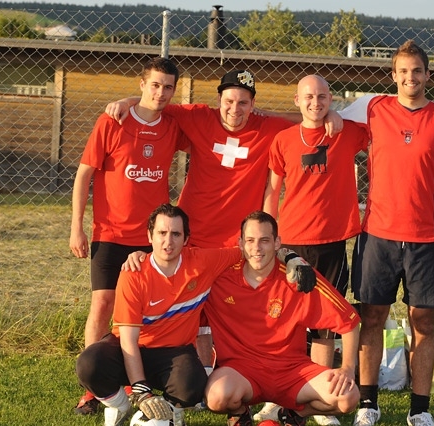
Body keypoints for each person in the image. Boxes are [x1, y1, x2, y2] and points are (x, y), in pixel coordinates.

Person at [105, 69, 343, 374]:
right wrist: (128, 101)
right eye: (229, 101)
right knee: (192, 311)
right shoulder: (199, 117)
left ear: (253, 105)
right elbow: (155, 103)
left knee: (235, 308)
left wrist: (330, 113)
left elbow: (305, 118)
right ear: (218, 100)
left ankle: (241, 368)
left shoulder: (267, 128)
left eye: (243, 103)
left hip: (236, 243)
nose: (235, 109)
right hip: (193, 237)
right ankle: (191, 370)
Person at [340, 40, 434, 426]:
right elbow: (322, 117)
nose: (410, 77)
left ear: (427, 75)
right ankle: (368, 404)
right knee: (371, 317)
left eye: (417, 71)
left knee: (422, 323)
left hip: (428, 240)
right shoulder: (371, 107)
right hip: (378, 235)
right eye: (403, 71)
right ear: (393, 75)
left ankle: (419, 409)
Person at [80, 204, 316, 426]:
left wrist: (291, 257)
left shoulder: (202, 262)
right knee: (90, 364)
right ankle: (120, 405)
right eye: (161, 233)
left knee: (192, 386)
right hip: (133, 347)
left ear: (186, 239)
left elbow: (251, 250)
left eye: (176, 234)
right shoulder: (133, 273)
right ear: (150, 236)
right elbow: (128, 341)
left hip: (173, 351)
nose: (168, 242)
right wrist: (141, 391)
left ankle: (169, 411)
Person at [70, 57, 188, 415]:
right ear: (141, 84)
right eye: (155, 85)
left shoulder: (173, 125)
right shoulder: (113, 120)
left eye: (168, 87)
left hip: (152, 239)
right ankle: (93, 389)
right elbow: (84, 175)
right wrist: (76, 226)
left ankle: (138, 378)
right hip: (110, 232)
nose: (161, 92)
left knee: (143, 312)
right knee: (103, 304)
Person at [261, 74, 369, 426]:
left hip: (332, 242)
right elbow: (273, 190)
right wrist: (270, 236)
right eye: (308, 97)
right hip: (292, 242)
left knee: (326, 324)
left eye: (322, 96)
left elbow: (382, 113)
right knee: (286, 321)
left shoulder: (346, 133)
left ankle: (320, 394)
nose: (315, 102)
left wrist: (340, 116)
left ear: (330, 98)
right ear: (297, 100)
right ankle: (276, 395)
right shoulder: (283, 140)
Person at [203, 211, 361, 426]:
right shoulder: (221, 278)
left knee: (347, 397)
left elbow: (350, 322)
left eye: (264, 240)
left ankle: (295, 415)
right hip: (242, 370)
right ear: (240, 243)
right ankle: (240, 413)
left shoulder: (298, 277)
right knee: (216, 396)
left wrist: (347, 369)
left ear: (277, 243)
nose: (257, 248)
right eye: (250, 240)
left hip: (292, 371)